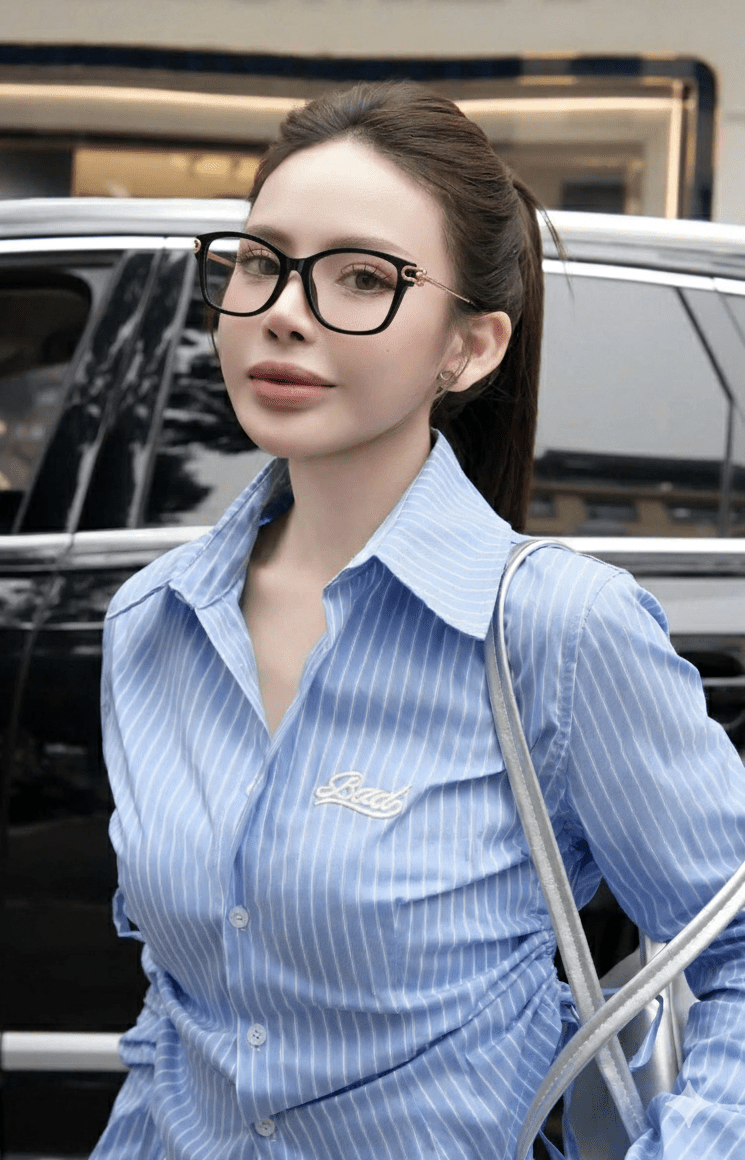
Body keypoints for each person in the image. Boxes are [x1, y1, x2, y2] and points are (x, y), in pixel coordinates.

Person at [92, 82, 745, 1159]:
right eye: (261, 262)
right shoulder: (153, 621)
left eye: (362, 277)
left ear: (469, 348)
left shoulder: (554, 628)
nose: (284, 309)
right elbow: (181, 1009)